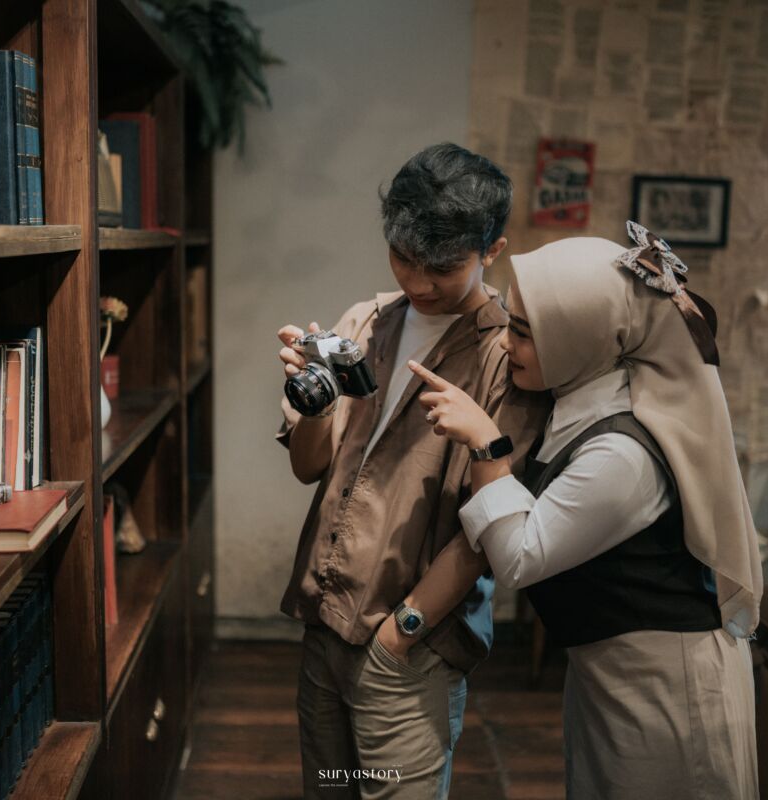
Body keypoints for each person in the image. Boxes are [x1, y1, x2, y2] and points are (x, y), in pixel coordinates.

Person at [407, 225, 763, 799]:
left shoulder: (622, 454)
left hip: (667, 685)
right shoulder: (578, 397)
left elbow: (520, 558)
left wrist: (486, 444)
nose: (506, 345)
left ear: (580, 337)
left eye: (524, 333)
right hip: (609, 672)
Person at [274, 143, 544, 799]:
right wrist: (315, 402)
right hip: (324, 623)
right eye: (403, 257)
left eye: (443, 267)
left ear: (493, 249)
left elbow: (492, 525)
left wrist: (400, 636)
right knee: (329, 790)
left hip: (410, 649)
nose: (418, 282)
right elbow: (310, 469)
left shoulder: (507, 356)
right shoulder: (365, 323)